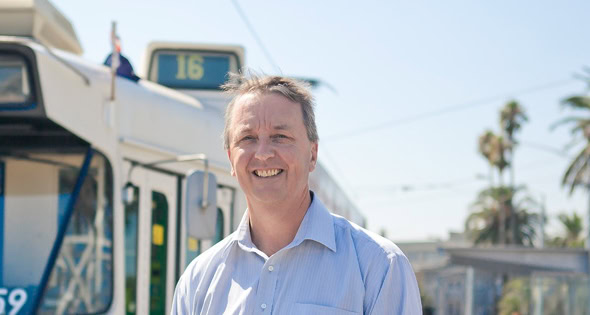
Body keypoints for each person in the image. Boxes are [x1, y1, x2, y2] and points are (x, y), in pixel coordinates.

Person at [171, 74, 422, 314]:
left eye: (280, 137)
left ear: (312, 154)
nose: (263, 153)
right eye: (247, 138)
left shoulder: (379, 266)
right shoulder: (198, 280)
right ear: (230, 159)